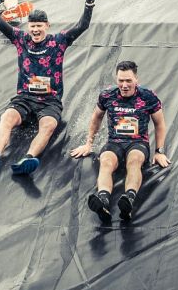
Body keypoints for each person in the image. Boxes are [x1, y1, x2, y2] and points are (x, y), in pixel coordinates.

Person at [0, 0, 97, 175]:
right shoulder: (20, 38)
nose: (35, 30)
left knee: (49, 125)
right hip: (24, 98)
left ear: (47, 25)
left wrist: (89, 5)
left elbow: (82, 26)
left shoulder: (59, 41)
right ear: (28, 26)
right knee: (7, 117)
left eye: (39, 26)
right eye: (32, 26)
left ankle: (28, 158)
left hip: (49, 101)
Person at [70, 61, 170, 221]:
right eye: (120, 80)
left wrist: (159, 151)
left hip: (138, 143)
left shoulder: (148, 96)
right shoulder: (107, 95)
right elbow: (96, 117)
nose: (124, 85)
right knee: (106, 162)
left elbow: (160, 123)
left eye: (128, 80)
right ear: (116, 79)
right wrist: (89, 143)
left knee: (134, 161)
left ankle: (128, 199)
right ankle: (103, 200)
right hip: (114, 142)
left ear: (136, 79)